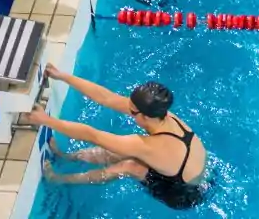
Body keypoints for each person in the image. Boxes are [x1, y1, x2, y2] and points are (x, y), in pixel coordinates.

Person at [33, 65, 209, 209]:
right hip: (188, 170)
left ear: (146, 117)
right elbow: (107, 98)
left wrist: (47, 120)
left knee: (130, 165)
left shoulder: (149, 145)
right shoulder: (161, 114)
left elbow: (92, 135)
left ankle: (58, 179)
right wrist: (63, 76)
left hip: (182, 192)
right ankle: (67, 157)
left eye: (132, 112)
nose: (129, 112)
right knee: (119, 151)